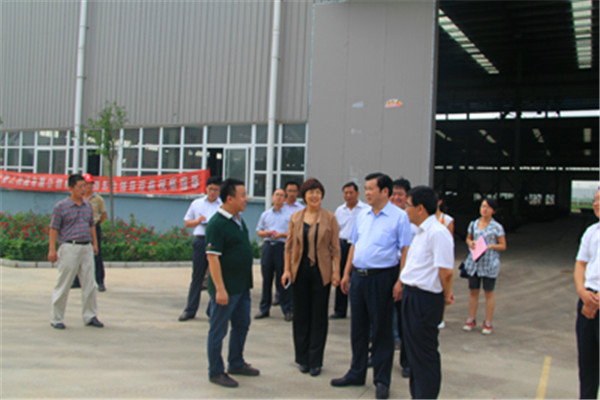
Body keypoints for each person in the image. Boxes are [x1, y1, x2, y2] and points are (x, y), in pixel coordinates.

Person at [331, 173, 411, 400]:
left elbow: (405, 250)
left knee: (382, 331)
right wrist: (346, 273)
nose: (366, 193)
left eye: (370, 189)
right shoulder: (363, 215)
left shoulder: (399, 217)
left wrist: (400, 281)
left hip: (383, 278)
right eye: (365, 188)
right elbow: (354, 245)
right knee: (358, 328)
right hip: (358, 277)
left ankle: (381, 380)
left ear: (384, 192)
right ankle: (356, 372)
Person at [396, 186, 454, 399]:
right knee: (414, 353)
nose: (406, 210)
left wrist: (446, 296)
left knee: (425, 354)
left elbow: (446, 272)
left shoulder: (438, 233)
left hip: (425, 299)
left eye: (408, 205)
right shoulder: (420, 232)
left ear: (420, 208)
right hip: (412, 296)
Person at [281, 178, 340, 377]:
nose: (315, 196)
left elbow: (335, 248)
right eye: (310, 192)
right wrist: (286, 270)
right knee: (301, 316)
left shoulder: (330, 218)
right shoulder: (296, 217)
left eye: (318, 192)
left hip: (321, 273)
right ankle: (302, 358)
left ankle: (316, 361)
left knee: (319, 317)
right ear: (304, 196)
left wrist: (337, 272)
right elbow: (289, 246)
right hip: (299, 271)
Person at [205, 178, 259, 388]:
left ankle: (236, 362)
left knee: (242, 325)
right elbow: (213, 258)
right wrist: (220, 289)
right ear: (229, 198)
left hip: (242, 286)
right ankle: (216, 371)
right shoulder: (217, 224)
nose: (246, 199)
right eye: (242, 195)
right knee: (218, 330)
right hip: (226, 288)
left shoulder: (238, 220)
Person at [48, 174, 103, 329]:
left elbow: (92, 225)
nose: (83, 189)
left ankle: (90, 316)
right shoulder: (61, 207)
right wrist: (52, 249)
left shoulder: (88, 206)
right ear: (71, 188)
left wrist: (95, 244)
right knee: (64, 283)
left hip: (86, 247)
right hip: (69, 247)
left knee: (89, 283)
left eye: (85, 186)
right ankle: (57, 318)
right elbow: (54, 228)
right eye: (80, 187)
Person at [178, 176, 222, 322]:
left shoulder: (222, 205)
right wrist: (198, 221)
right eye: (210, 189)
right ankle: (190, 310)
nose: (213, 192)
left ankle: (212, 310)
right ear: (206, 189)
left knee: (215, 277)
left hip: (216, 242)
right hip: (201, 240)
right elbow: (187, 223)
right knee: (197, 277)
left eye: (216, 190)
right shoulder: (197, 204)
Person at [462, 197, 507, 335]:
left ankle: (488, 322)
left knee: (488, 292)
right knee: (473, 291)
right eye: (482, 206)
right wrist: (470, 243)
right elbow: (468, 238)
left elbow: (503, 245)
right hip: (475, 262)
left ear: (493, 210)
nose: (484, 209)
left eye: (487, 207)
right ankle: (471, 318)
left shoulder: (497, 227)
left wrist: (490, 246)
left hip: (489, 263)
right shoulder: (474, 224)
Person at [574, 189, 599, 400]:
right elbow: (581, 264)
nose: (596, 204)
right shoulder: (592, 232)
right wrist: (583, 292)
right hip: (587, 300)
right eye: (595, 200)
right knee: (587, 364)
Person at [255, 188, 293, 321]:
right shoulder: (266, 214)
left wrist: (281, 235)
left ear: (285, 199)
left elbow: (293, 233)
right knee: (266, 279)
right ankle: (264, 309)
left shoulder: (289, 215)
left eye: (282, 195)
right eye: (277, 195)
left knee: (283, 279)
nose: (279, 197)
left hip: (282, 248)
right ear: (272, 197)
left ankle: (287, 309)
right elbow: (259, 231)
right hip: (268, 247)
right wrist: (266, 233)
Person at [332, 182, 368, 319]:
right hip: (343, 245)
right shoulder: (340, 210)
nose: (348, 195)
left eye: (351, 192)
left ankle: (358, 311)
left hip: (358, 246)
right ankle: (339, 310)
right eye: (345, 193)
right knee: (341, 276)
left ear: (357, 193)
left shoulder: (365, 209)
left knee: (357, 278)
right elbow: (336, 229)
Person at [390, 177, 415, 377]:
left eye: (400, 194)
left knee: (406, 320)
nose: (396, 197)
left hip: (408, 273)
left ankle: (407, 361)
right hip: (387, 271)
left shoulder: (412, 220)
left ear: (407, 197)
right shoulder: (385, 216)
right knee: (382, 318)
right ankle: (379, 355)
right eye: (393, 194)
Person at [71, 173, 108, 291]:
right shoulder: (78, 198)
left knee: (97, 255)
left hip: (93, 228)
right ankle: (77, 280)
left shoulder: (98, 199)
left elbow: (104, 214)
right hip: (80, 228)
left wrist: (97, 224)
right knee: (78, 254)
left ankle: (100, 281)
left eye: (90, 184)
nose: (88, 187)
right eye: (86, 184)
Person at [435, 191, 454, 328]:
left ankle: (441, 316)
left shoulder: (447, 220)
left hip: (441, 256)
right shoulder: (426, 219)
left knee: (443, 284)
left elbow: (449, 241)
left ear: (440, 202)